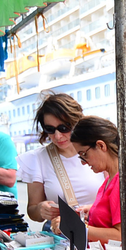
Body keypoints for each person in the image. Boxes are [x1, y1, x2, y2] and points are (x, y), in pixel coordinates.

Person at [66, 116, 126, 250]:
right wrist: (93, 210)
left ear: (101, 146)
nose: (83, 162)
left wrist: (78, 228)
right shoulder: (112, 178)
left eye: (84, 155)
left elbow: (122, 235)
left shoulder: (125, 180)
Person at [18, 93, 103, 227]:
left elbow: (118, 200)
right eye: (50, 129)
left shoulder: (99, 150)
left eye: (64, 128)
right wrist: (41, 209)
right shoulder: (37, 158)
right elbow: (33, 210)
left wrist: (93, 210)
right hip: (59, 236)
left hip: (99, 231)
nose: (58, 136)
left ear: (77, 122)